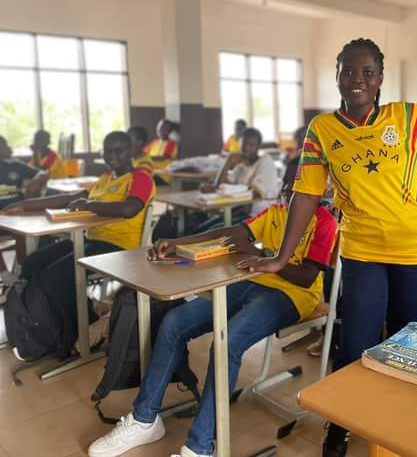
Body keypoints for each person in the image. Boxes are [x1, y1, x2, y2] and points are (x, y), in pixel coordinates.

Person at [236, 38, 417, 457]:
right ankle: (342, 423)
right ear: (338, 77)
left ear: (380, 78)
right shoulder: (322, 130)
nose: (357, 79)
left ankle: (394, 420)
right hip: (362, 250)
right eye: (348, 70)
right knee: (355, 339)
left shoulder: (407, 115)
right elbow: (305, 195)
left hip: (416, 249)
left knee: (404, 341)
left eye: (367, 72)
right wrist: (282, 256)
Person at [87, 160, 336, 457]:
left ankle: (199, 448)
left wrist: (268, 260)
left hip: (293, 296)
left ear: (319, 191)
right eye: (289, 186)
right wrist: (177, 242)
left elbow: (308, 276)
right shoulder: (277, 212)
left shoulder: (324, 222)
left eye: (302, 187)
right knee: (174, 321)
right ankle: (144, 420)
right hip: (253, 281)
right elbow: (233, 231)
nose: (291, 193)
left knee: (227, 342)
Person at [3, 132, 155, 359]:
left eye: (119, 150)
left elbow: (129, 209)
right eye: (108, 150)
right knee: (34, 263)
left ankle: (91, 326)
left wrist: (90, 205)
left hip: (121, 248)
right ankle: (58, 319)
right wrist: (24, 205)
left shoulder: (140, 178)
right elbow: (70, 198)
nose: (113, 155)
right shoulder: (105, 179)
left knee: (54, 279)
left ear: (131, 150)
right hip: (92, 240)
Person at [192, 127, 280, 233]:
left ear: (259, 146)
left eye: (251, 145)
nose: (247, 148)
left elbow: (254, 194)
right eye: (244, 144)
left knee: (210, 231)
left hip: (257, 216)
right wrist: (228, 161)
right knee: (199, 229)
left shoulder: (265, 161)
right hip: (238, 212)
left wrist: (224, 190)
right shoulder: (241, 166)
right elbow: (219, 185)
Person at [0, 136, 47, 208]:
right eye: (5, 145)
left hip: (18, 210)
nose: (9, 148)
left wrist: (37, 180)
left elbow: (42, 173)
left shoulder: (14, 165)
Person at [145, 119, 179, 185]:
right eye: (159, 128)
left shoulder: (171, 144)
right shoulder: (154, 143)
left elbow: (162, 157)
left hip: (162, 176)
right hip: (151, 172)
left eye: (165, 129)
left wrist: (145, 158)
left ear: (170, 131)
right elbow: (143, 154)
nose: (161, 130)